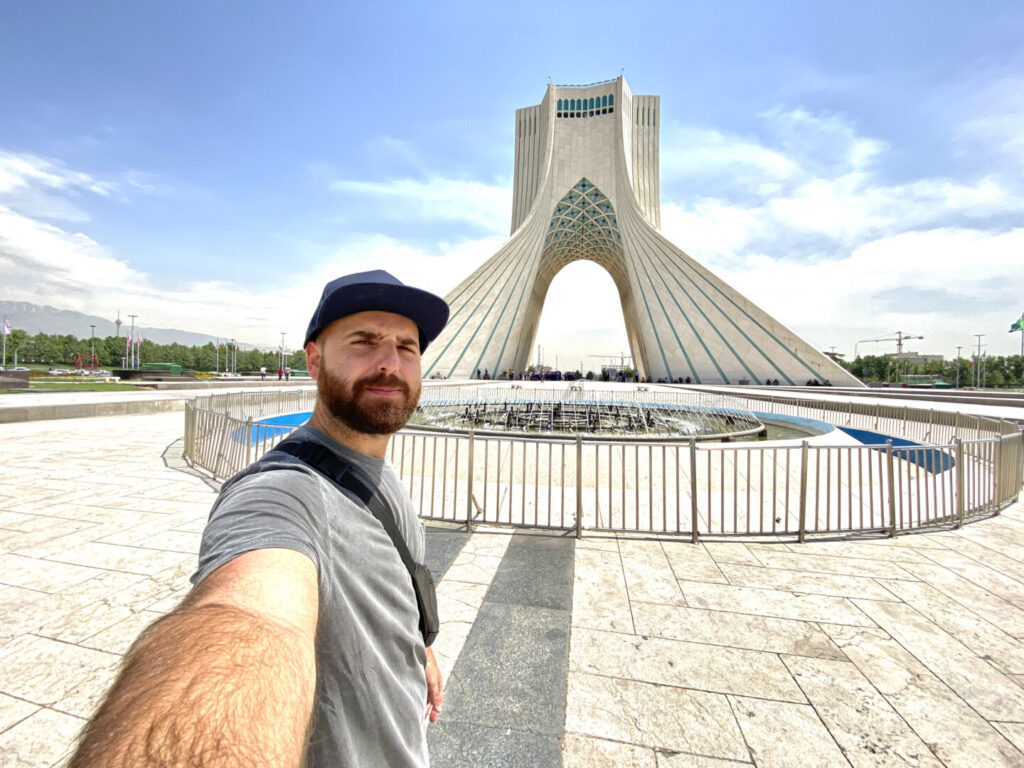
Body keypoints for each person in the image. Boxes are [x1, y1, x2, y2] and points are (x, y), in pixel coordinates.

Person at [70, 270, 451, 768]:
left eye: (407, 347)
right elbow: (248, 618)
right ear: (314, 361)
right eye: (364, 342)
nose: (389, 363)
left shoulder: (381, 476)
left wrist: (415, 647)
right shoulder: (282, 493)